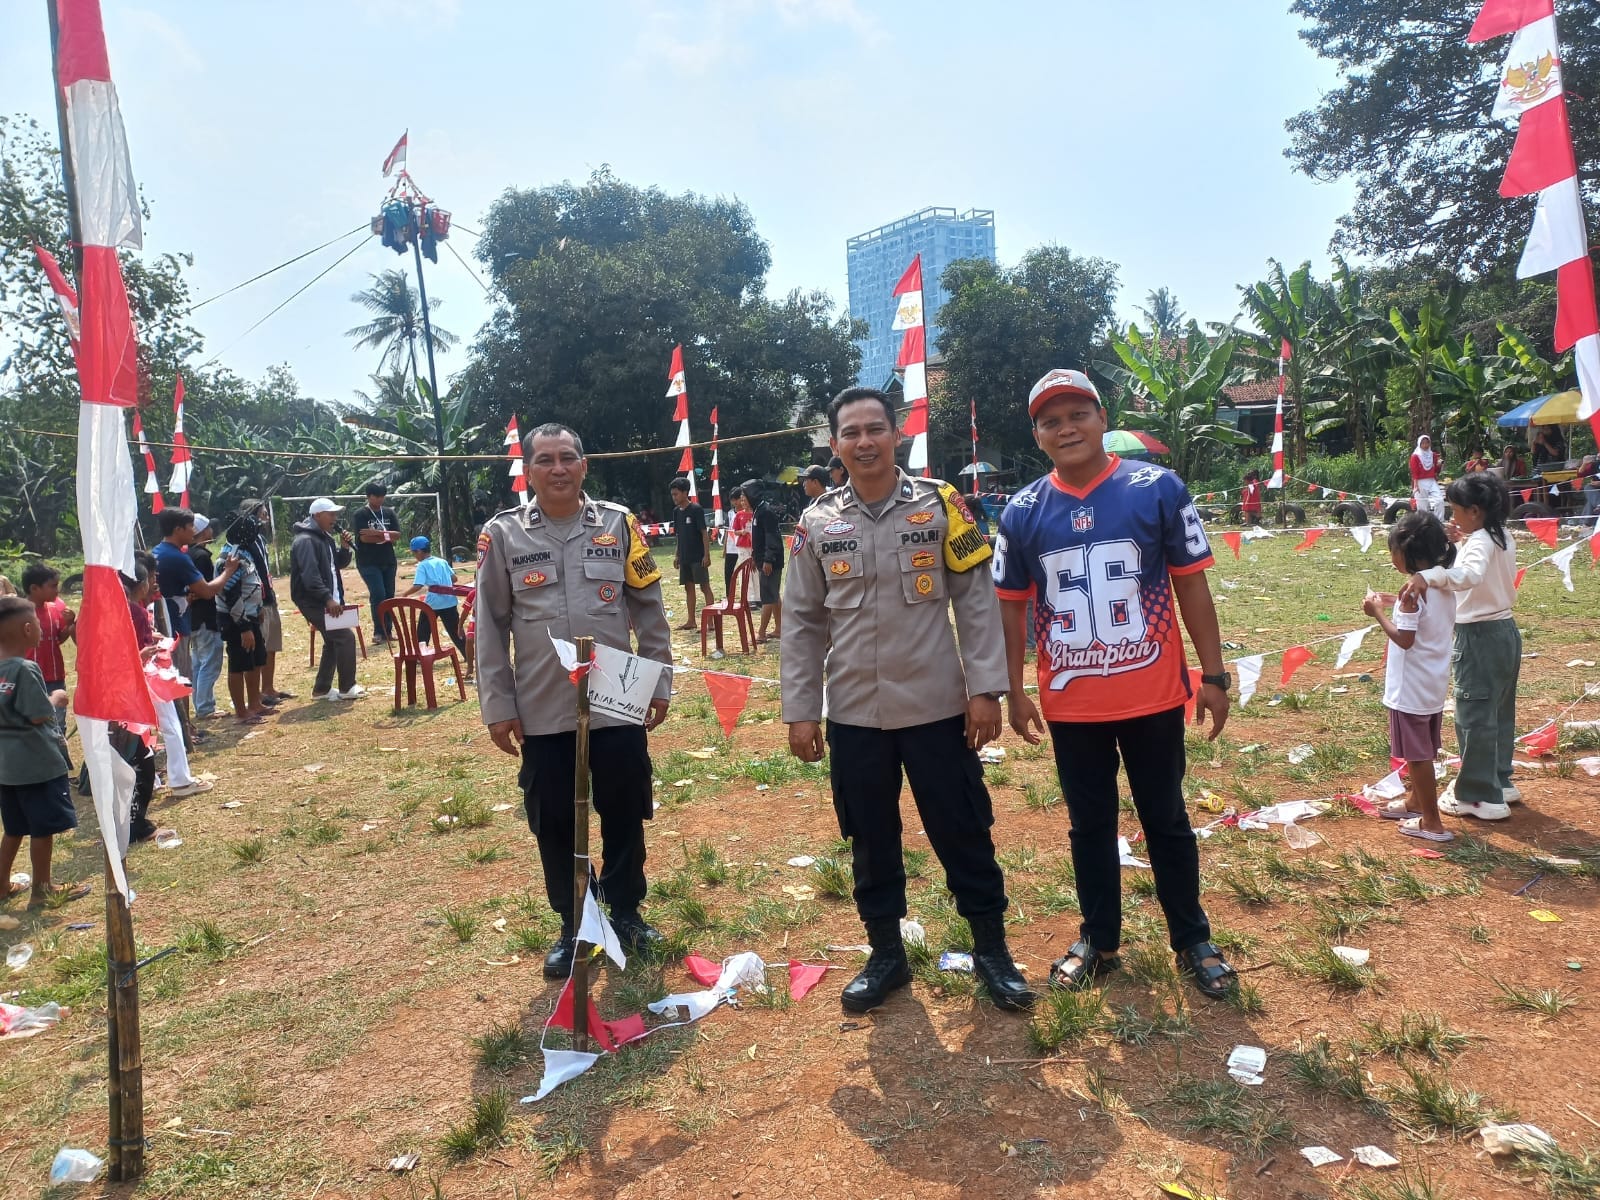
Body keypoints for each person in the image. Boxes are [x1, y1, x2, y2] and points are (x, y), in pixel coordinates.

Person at [782, 386, 1032, 1014]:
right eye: (851, 433)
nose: (864, 441)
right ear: (835, 444)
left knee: (962, 828)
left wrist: (987, 690)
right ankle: (886, 953)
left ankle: (991, 950)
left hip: (937, 707)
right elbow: (803, 622)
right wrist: (800, 709)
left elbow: (975, 601)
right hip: (855, 713)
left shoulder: (940, 504)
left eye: (875, 429)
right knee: (869, 835)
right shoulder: (816, 523)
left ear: (897, 434)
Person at [996, 368, 1237, 1001]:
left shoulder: (1156, 488)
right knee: (1089, 824)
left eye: (1077, 413)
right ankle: (1100, 938)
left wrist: (1212, 675)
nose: (1066, 427)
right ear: (1038, 436)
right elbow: (1013, 605)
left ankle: (1191, 936)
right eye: (1051, 420)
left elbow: (1191, 583)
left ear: (1104, 419)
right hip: (1073, 702)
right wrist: (1014, 689)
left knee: (1167, 818)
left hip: (1153, 694)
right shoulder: (1021, 510)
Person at [476, 423, 674, 977]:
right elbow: (489, 627)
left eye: (567, 458)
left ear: (584, 465)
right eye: (545, 460)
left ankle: (627, 911)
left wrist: (658, 681)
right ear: (529, 470)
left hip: (618, 696)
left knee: (626, 806)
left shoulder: (619, 524)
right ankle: (573, 923)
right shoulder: (504, 535)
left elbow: (649, 608)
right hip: (541, 702)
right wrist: (498, 705)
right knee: (554, 817)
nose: (557, 469)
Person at [1401, 472, 1521, 821]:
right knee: (1498, 711)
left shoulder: (1482, 540)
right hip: (1505, 631)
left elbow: (1470, 576)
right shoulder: (1499, 535)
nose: (1452, 518)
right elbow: (1473, 564)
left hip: (1480, 637)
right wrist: (1460, 542)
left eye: (1455, 511)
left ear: (1474, 510)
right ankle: (1499, 780)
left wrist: (1429, 576)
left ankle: (1479, 796)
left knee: (1474, 714)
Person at [1364, 514, 1457, 842]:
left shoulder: (1412, 594)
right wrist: (1394, 603)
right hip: (1432, 683)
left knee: (1417, 756)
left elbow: (1405, 639)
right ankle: (1417, 802)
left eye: (1393, 551)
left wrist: (1376, 612)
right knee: (1425, 749)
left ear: (1410, 553)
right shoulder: (1442, 583)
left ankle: (1432, 822)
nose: (1391, 558)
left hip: (1410, 688)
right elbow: (1423, 620)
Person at [0, 597, 89, 905]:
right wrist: (57, 698)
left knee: (13, 828)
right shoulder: (26, 669)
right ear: (27, 629)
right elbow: (38, 714)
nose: (42, 628)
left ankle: (1, 885)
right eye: (38, 624)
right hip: (35, 762)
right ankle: (42, 889)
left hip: (7, 765)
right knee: (41, 828)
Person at [290, 498, 365, 702]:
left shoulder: (324, 538)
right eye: (331, 514)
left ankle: (321, 689)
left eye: (335, 514)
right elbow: (310, 576)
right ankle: (347, 687)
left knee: (333, 641)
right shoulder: (306, 540)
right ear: (317, 515)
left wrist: (345, 548)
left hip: (324, 598)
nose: (335, 518)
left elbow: (336, 565)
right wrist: (327, 599)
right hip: (313, 600)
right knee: (345, 637)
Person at [115, 562, 162, 843]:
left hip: (118, 698)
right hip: (121, 699)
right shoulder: (127, 612)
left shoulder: (114, 614)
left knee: (136, 760)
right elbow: (121, 657)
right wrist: (140, 657)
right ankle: (133, 826)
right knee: (138, 762)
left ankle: (133, 823)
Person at [235, 500, 293, 706]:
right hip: (255, 602)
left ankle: (268, 688)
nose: (266, 518)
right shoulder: (243, 542)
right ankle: (256, 695)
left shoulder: (260, 539)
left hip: (269, 597)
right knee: (258, 649)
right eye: (262, 514)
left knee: (271, 645)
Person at [218, 516, 270, 725]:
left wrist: (257, 608)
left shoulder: (245, 552)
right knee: (239, 664)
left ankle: (255, 703)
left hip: (250, 616)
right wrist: (244, 627)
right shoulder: (231, 556)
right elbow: (231, 595)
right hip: (237, 621)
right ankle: (241, 711)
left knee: (256, 660)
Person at [20, 564, 74, 760]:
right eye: (52, 586)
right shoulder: (20, 612)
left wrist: (69, 624)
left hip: (55, 676)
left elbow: (58, 637)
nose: (57, 590)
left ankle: (58, 763)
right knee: (33, 720)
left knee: (58, 722)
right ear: (34, 588)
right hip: (30, 678)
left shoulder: (56, 608)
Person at [186, 516, 226, 720]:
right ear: (203, 531)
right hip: (204, 617)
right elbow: (206, 589)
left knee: (198, 662)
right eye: (209, 528)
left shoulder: (189, 554)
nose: (212, 531)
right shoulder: (201, 557)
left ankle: (201, 703)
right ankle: (205, 707)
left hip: (193, 618)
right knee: (209, 661)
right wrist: (227, 573)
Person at [352, 482, 401, 644]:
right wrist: (386, 536)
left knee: (389, 595)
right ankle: (378, 631)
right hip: (368, 561)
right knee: (378, 594)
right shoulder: (361, 514)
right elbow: (364, 538)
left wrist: (378, 533)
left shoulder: (388, 513)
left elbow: (397, 535)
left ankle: (388, 630)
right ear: (369, 496)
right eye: (376, 496)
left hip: (388, 560)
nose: (380, 499)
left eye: (382, 496)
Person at [402, 535, 466, 654]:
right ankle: (468, 654)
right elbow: (454, 578)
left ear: (419, 551)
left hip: (433, 603)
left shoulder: (422, 565)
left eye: (414, 553)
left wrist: (405, 594)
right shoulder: (442, 561)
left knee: (423, 629)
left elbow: (418, 585)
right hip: (449, 601)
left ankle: (421, 653)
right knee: (456, 630)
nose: (414, 556)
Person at [669, 477, 713, 631]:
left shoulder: (696, 510)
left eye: (676, 494)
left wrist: (706, 555)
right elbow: (679, 535)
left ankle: (710, 622)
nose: (674, 497)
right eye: (672, 494)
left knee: (704, 587)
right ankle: (691, 620)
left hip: (698, 557)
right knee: (688, 588)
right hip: (685, 556)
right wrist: (677, 555)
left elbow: (704, 533)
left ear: (685, 493)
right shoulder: (676, 512)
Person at [745, 479, 785, 646]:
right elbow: (758, 539)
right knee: (773, 594)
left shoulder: (765, 512)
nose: (742, 500)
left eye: (744, 496)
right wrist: (755, 557)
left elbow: (771, 537)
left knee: (767, 596)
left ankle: (760, 633)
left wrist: (768, 559)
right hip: (763, 559)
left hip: (771, 561)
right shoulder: (758, 511)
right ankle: (779, 628)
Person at [723, 485, 753, 597]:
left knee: (745, 571)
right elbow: (728, 531)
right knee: (728, 572)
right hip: (731, 547)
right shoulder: (731, 513)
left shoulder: (750, 512)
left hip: (745, 546)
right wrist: (725, 547)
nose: (735, 503)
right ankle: (729, 595)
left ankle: (749, 595)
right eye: (733, 500)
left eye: (737, 500)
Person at [1409, 435, 1444, 519]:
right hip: (1420, 481)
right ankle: (1424, 523)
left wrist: (1439, 465)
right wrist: (1416, 485)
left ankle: (1439, 521)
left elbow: (1436, 470)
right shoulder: (1415, 456)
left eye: (1427, 443)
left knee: (1439, 500)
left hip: (1431, 480)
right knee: (1422, 505)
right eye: (1423, 443)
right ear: (1419, 444)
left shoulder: (1433, 455)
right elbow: (1414, 471)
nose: (1425, 445)